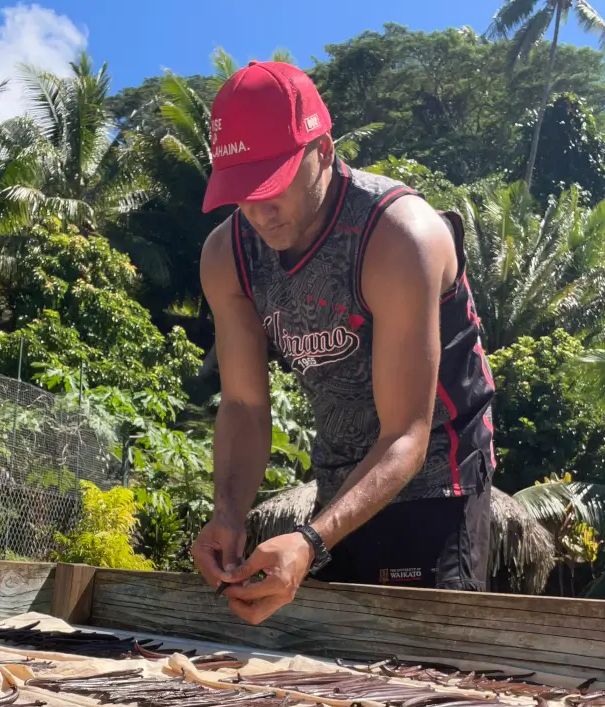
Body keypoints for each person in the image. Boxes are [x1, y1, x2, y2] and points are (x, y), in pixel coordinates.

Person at [192, 61, 496, 626]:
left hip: (437, 476)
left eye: (274, 182)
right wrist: (228, 513)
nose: (258, 209)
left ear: (324, 151)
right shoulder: (227, 255)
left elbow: (407, 432)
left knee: (428, 675)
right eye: (242, 190)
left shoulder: (398, 235)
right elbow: (243, 403)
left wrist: (308, 539)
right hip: (339, 476)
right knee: (334, 663)